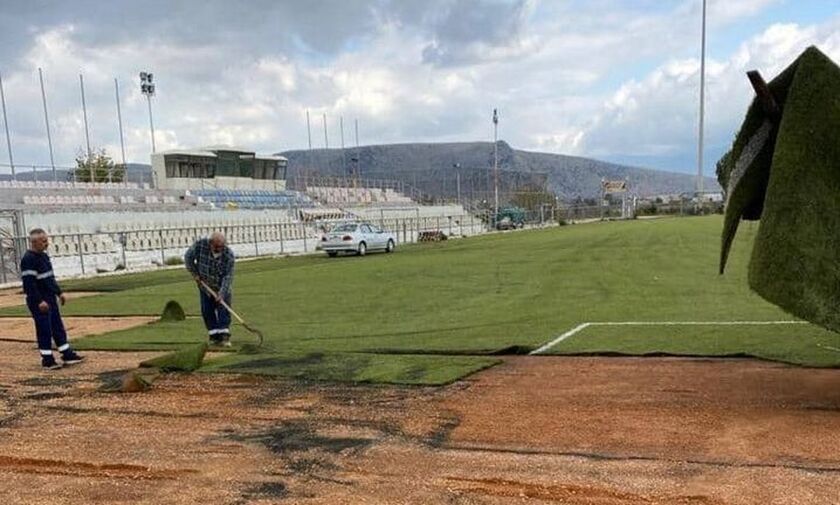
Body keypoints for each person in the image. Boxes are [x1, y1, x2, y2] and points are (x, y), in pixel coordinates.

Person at [20, 228, 85, 370]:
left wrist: (59, 292)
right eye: (43, 241)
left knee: (57, 326)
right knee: (44, 329)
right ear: (34, 242)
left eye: (46, 240)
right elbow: (29, 285)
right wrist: (39, 301)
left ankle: (66, 354)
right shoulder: (28, 259)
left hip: (50, 297)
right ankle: (47, 359)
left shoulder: (44, 256)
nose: (46, 243)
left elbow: (50, 278)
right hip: (40, 300)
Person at [184, 231, 235, 346]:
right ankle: (214, 336)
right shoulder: (200, 245)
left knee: (224, 310)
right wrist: (195, 273)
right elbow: (188, 258)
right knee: (207, 311)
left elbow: (228, 276)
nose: (219, 249)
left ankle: (224, 337)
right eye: (217, 247)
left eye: (221, 247)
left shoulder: (228, 255)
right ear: (210, 243)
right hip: (205, 286)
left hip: (221, 286)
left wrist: (221, 293)